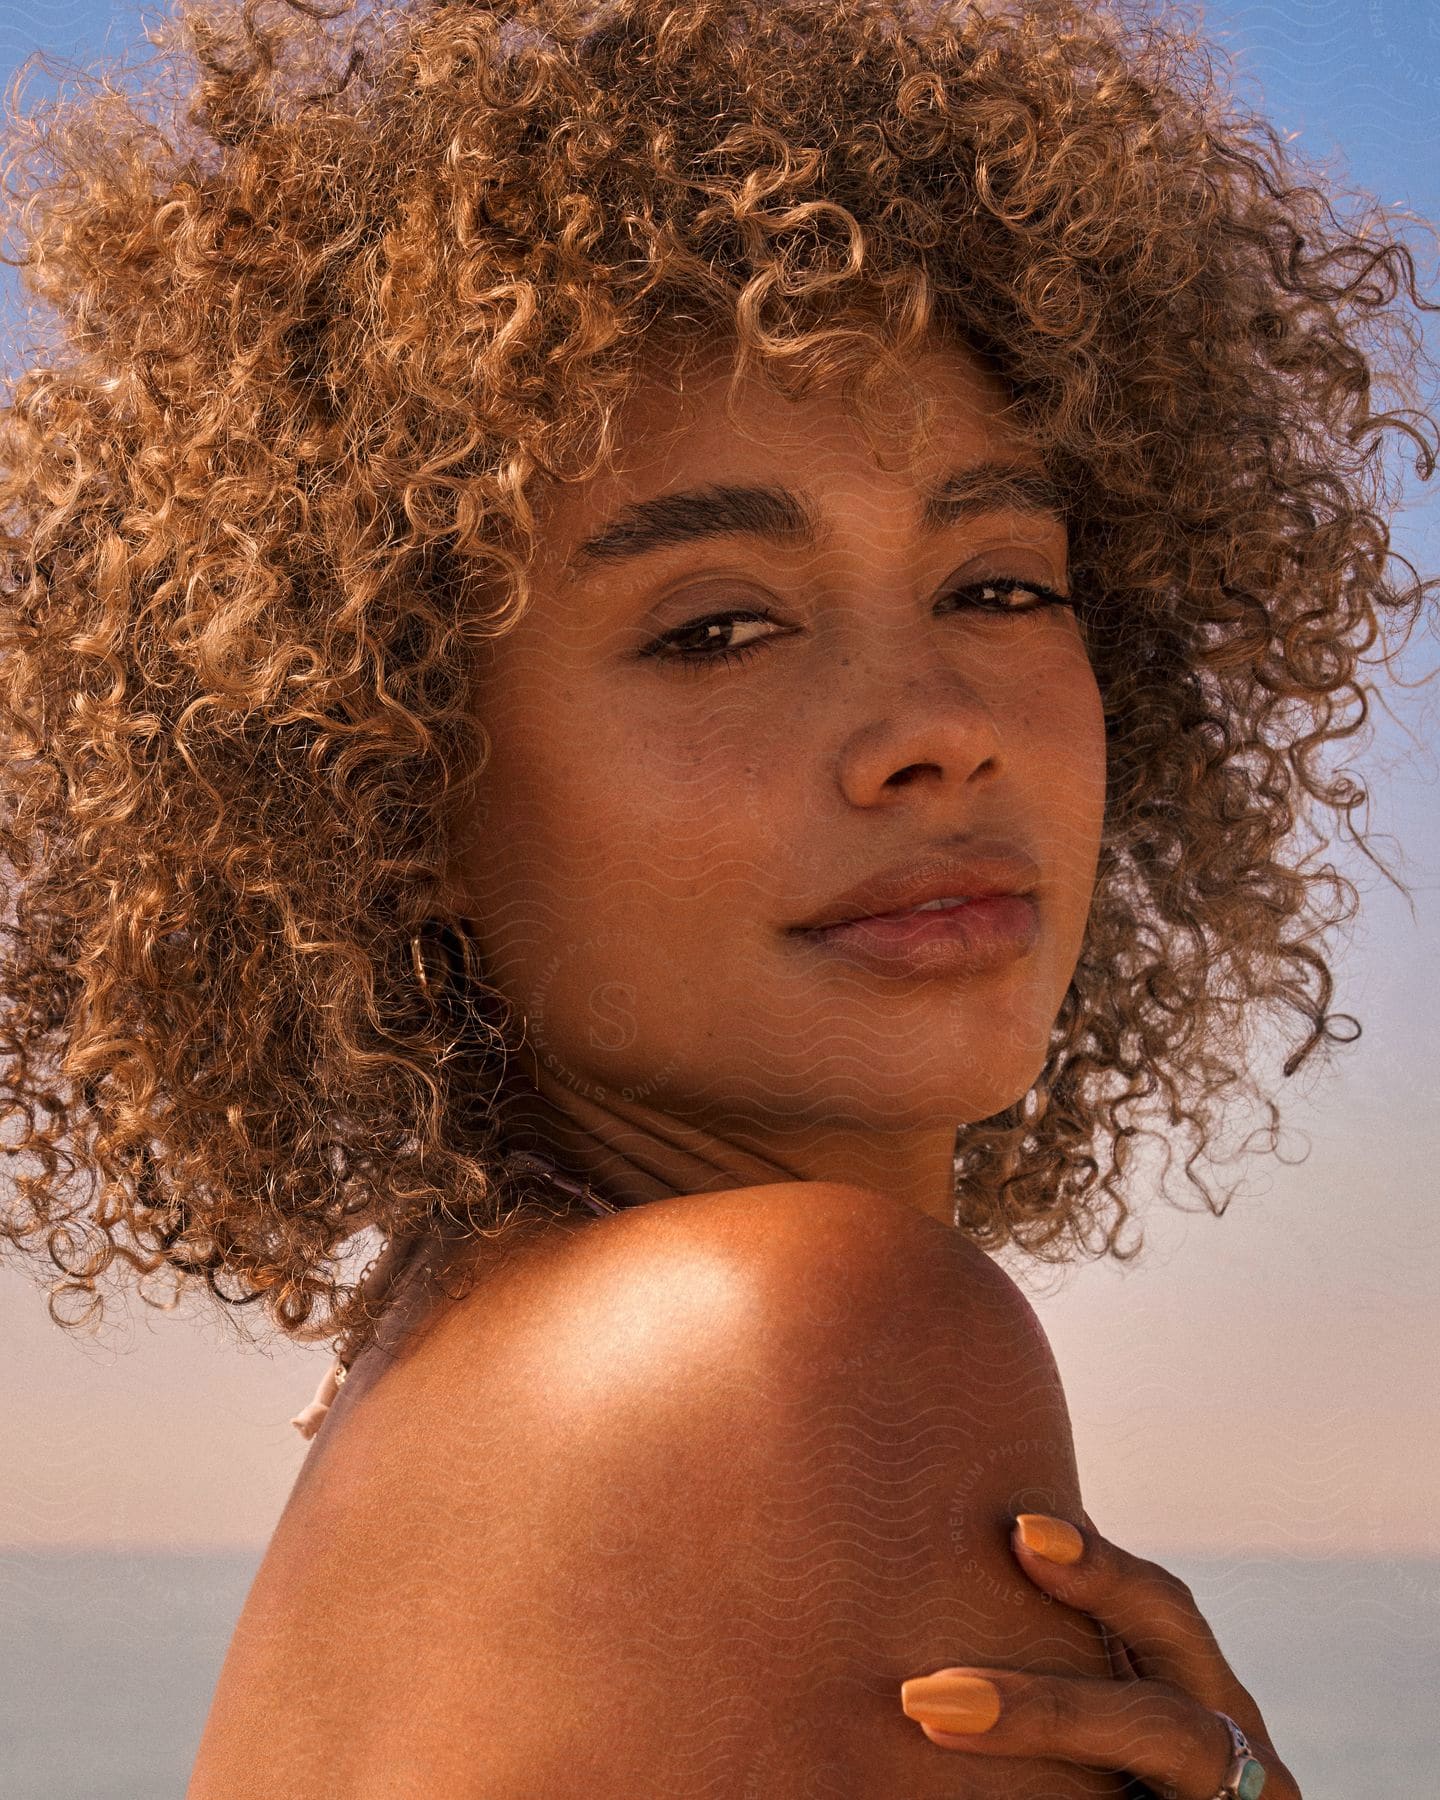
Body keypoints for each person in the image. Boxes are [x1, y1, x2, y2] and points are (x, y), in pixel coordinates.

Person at [0, 0, 1432, 1793]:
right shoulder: (793, 1340)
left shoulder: (467, 1367)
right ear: (383, 783)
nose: (935, 733)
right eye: (718, 627)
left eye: (999, 586)